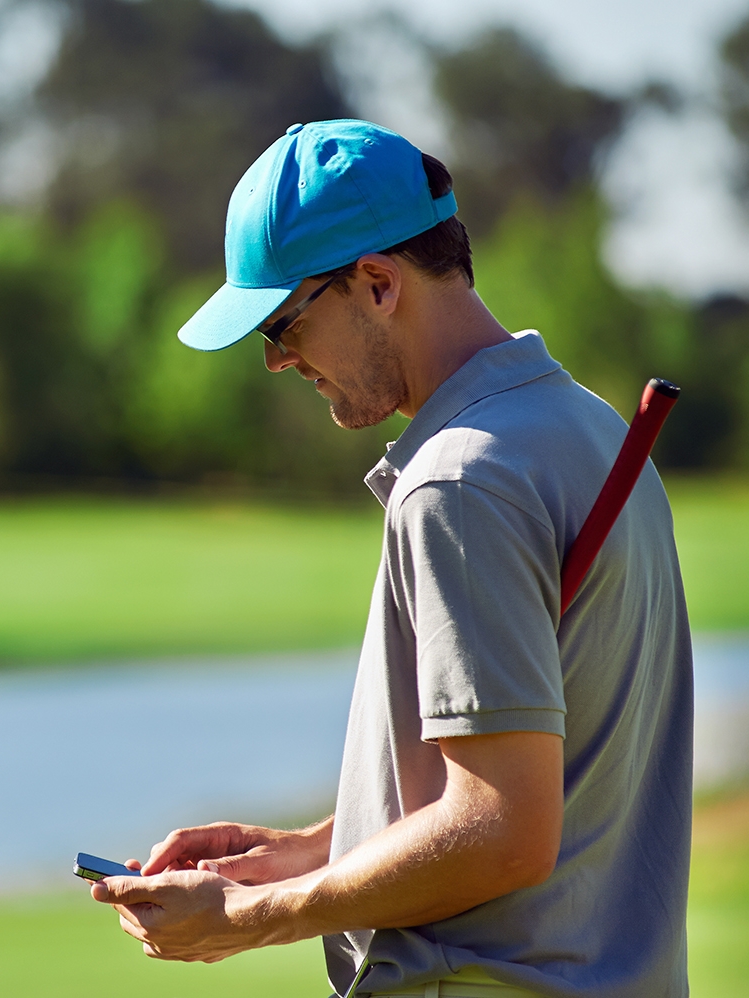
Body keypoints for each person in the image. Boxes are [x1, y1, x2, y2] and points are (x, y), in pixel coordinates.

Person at [89, 120, 692, 998]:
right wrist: (304, 850)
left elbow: (502, 829)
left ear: (376, 284)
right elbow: (524, 770)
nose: (276, 361)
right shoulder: (590, 431)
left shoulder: (456, 483)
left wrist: (257, 915)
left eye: (285, 323)